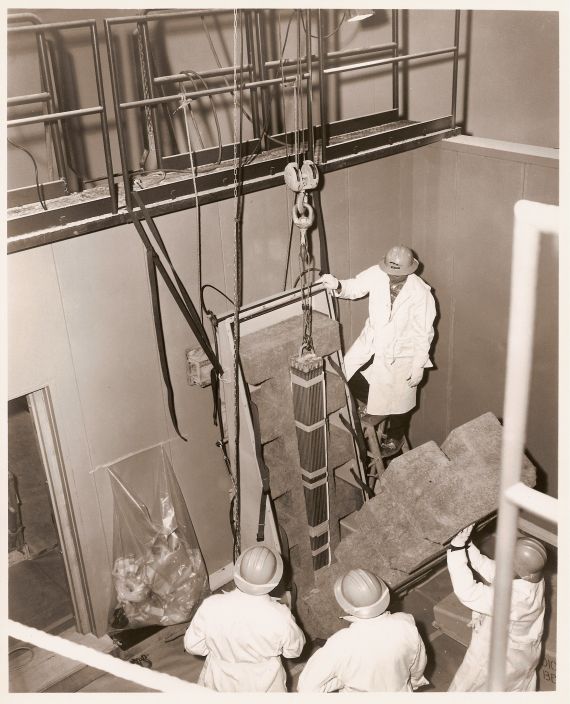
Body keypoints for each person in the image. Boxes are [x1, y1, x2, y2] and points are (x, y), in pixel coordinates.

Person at [320, 244, 436, 455]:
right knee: (347, 373)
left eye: (397, 273)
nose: (392, 276)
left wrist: (419, 364)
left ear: (410, 270)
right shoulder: (377, 273)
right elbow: (356, 286)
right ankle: (372, 402)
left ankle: (395, 436)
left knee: (402, 396)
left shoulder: (420, 294)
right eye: (390, 271)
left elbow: (424, 333)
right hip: (372, 342)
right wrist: (337, 285)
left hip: (403, 352)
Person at [184, 544, 305, 692]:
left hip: (220, 679)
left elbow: (192, 645)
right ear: (274, 582)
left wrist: (220, 651)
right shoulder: (280, 616)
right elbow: (294, 650)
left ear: (238, 572)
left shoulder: (211, 606)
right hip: (264, 683)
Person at [446, 524, 546, 691]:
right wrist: (467, 544)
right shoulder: (531, 576)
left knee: (469, 688)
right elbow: (493, 569)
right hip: (522, 652)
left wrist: (456, 549)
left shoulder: (517, 599)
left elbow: (467, 591)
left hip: (499, 659)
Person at [297, 568, 429, 692]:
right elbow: (417, 668)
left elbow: (306, 688)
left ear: (346, 607)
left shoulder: (339, 644)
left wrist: (340, 681)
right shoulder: (406, 625)